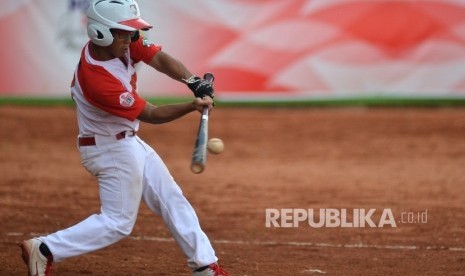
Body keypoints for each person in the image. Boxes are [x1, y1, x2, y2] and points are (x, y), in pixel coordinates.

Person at [19, 0, 229, 275]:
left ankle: (205, 266)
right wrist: (193, 106)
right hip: (109, 150)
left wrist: (193, 82)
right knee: (118, 222)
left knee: (171, 197)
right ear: (101, 33)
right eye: (125, 33)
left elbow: (160, 59)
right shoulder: (97, 79)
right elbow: (151, 114)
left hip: (126, 142)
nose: (131, 39)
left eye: (132, 32)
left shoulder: (121, 45)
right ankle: (46, 249)